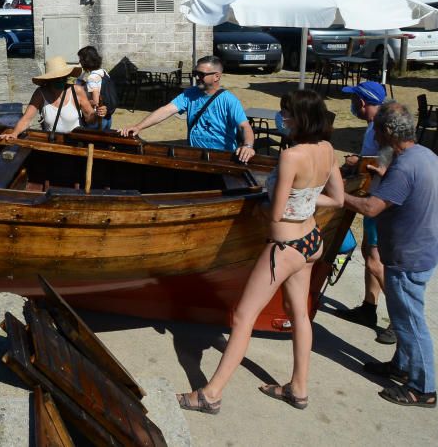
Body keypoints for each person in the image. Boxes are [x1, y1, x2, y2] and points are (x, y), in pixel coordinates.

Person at [177, 90, 344, 413]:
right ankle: (298, 388)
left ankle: (210, 394)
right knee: (299, 313)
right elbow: (336, 199)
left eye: (287, 114)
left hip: (285, 246)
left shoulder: (292, 156)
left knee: (242, 317)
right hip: (311, 240)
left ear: (301, 118)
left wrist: (269, 203)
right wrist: (305, 200)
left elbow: (276, 211)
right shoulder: (327, 149)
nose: (282, 119)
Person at [343, 102, 438, 408]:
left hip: (408, 256)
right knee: (403, 316)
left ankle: (423, 389)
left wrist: (337, 196)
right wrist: (385, 174)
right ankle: (401, 365)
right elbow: (409, 189)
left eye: (377, 131)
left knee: (410, 322)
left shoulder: (405, 165)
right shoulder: (423, 155)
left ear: (385, 132)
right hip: (420, 249)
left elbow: (371, 208)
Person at [336, 81, 395, 344]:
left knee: (374, 259)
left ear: (362, 102)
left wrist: (356, 162)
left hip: (379, 201)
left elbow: (383, 164)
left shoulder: (381, 130)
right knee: (369, 253)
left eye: (355, 100)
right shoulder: (376, 126)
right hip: (375, 198)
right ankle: (369, 308)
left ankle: (398, 320)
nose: (353, 105)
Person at [120, 56, 256, 163]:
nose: (197, 77)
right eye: (195, 73)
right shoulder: (189, 93)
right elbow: (166, 110)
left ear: (217, 76)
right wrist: (139, 126)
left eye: (202, 74)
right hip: (195, 155)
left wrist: (248, 146)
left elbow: (244, 126)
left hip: (221, 158)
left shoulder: (228, 100)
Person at [0, 56, 108, 141]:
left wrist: (97, 114)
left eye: (63, 77)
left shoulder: (77, 91)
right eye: (57, 78)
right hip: (52, 144)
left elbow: (89, 117)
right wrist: (14, 133)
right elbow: (27, 118)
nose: (61, 80)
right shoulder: (40, 93)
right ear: (49, 79)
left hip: (75, 144)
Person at [76, 46, 116, 131]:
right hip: (108, 117)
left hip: (96, 119)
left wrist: (83, 101)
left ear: (85, 61)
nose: (79, 62)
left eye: (80, 60)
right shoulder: (103, 72)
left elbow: (95, 101)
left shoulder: (92, 78)